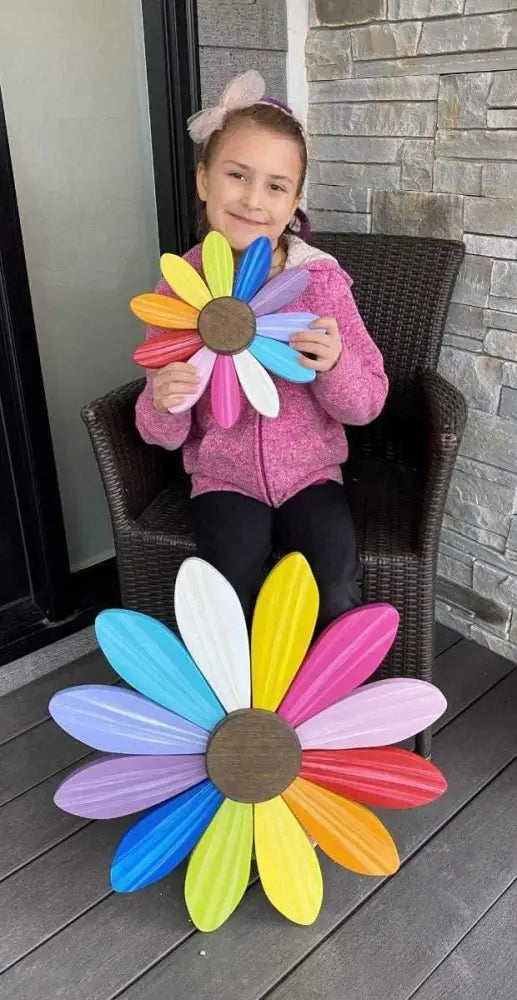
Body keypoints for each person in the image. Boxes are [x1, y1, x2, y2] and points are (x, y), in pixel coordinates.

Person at [135, 71, 389, 631]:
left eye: (275, 186)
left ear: (295, 200)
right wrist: (162, 400)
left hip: (311, 476)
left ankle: (325, 700)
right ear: (204, 181)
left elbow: (366, 403)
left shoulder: (320, 282)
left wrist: (336, 366)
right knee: (227, 585)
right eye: (236, 175)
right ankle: (241, 703)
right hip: (223, 478)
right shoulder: (179, 290)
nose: (253, 199)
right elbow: (159, 432)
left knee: (332, 580)